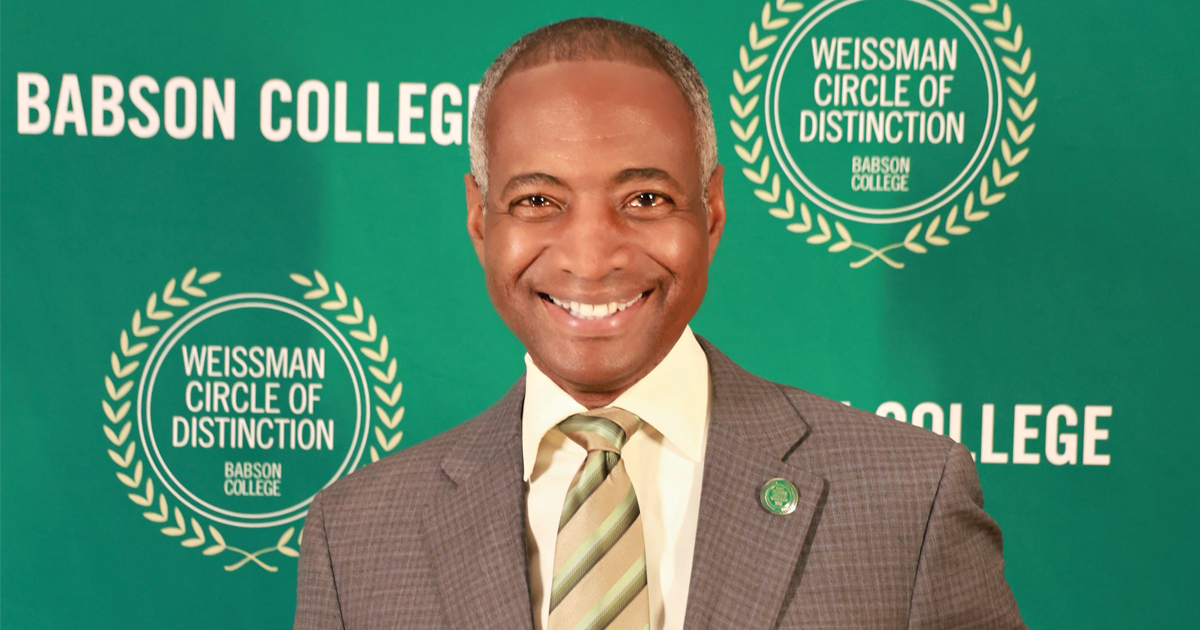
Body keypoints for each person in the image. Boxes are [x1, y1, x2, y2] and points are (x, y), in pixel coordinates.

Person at [294, 17, 1025, 630]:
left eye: (643, 198)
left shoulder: (909, 502)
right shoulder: (356, 534)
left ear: (710, 211)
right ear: (480, 220)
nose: (590, 256)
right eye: (538, 202)